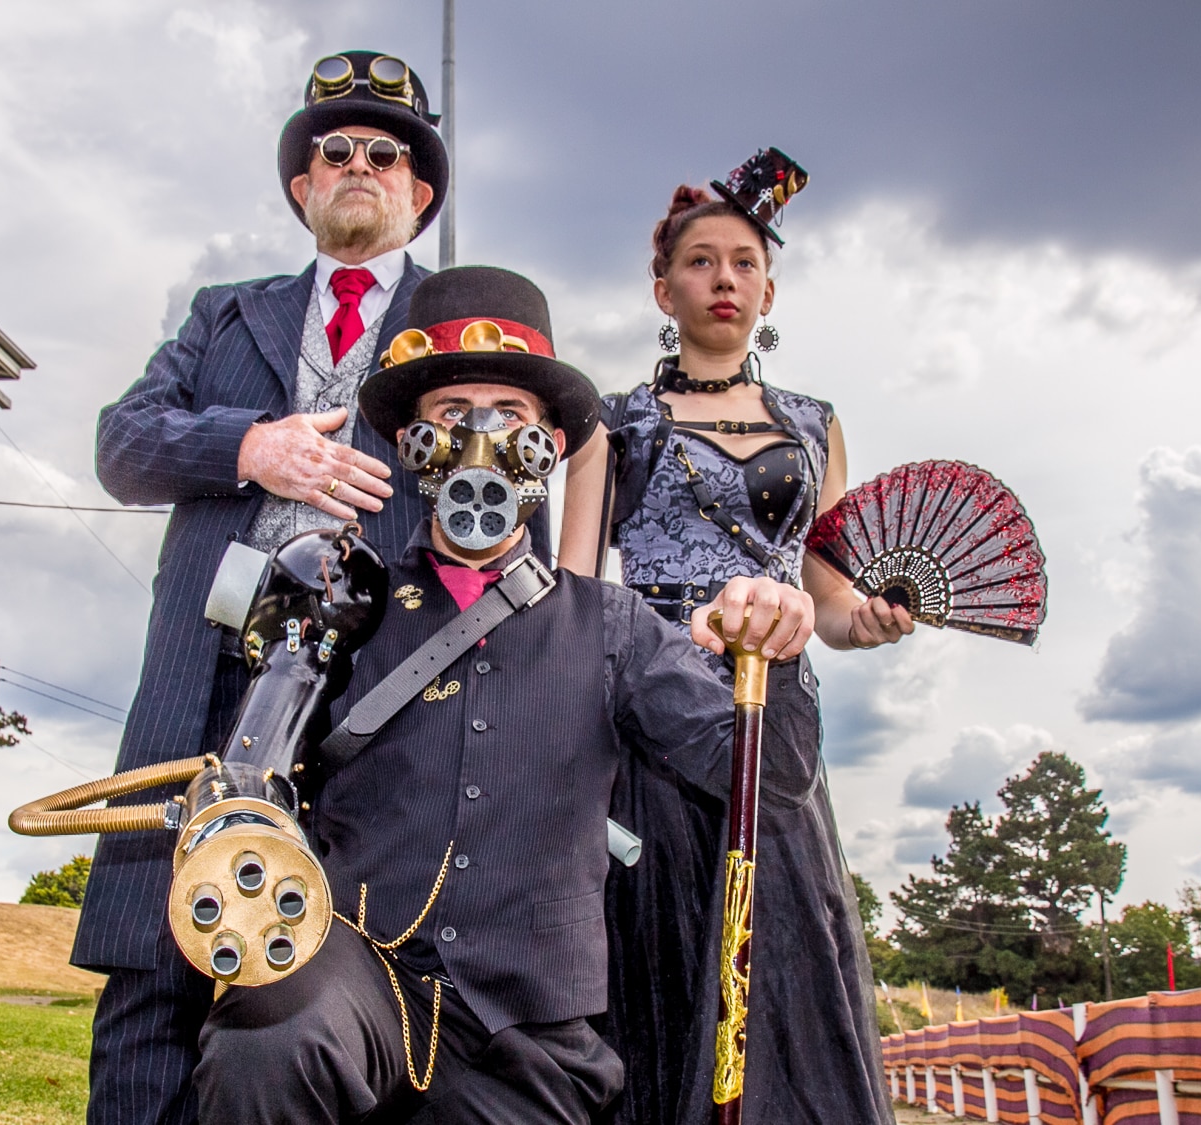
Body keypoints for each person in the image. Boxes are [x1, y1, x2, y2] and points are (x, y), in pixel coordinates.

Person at [193, 265, 821, 1124]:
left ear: (551, 448)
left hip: (533, 1034)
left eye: (512, 417)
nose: (478, 439)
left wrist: (773, 659)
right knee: (269, 1037)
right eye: (452, 414)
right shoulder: (345, 596)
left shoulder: (616, 625)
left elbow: (769, 782)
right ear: (411, 440)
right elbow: (254, 767)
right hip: (361, 971)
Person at [84, 49, 480, 1121]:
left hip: (379, 692)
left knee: (352, 965)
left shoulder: (458, 329)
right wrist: (249, 446)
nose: (357, 164)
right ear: (302, 186)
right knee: (153, 969)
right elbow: (120, 445)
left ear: (419, 191)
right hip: (205, 679)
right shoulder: (225, 315)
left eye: (384, 154)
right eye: (332, 150)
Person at [556, 152, 910, 1124]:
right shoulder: (610, 423)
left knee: (782, 960)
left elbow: (830, 602)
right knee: (659, 964)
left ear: (768, 284)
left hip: (774, 718)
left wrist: (866, 619)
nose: (722, 279)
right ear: (661, 286)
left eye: (743, 262)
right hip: (651, 716)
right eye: (700, 261)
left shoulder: (814, 425)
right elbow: (575, 599)